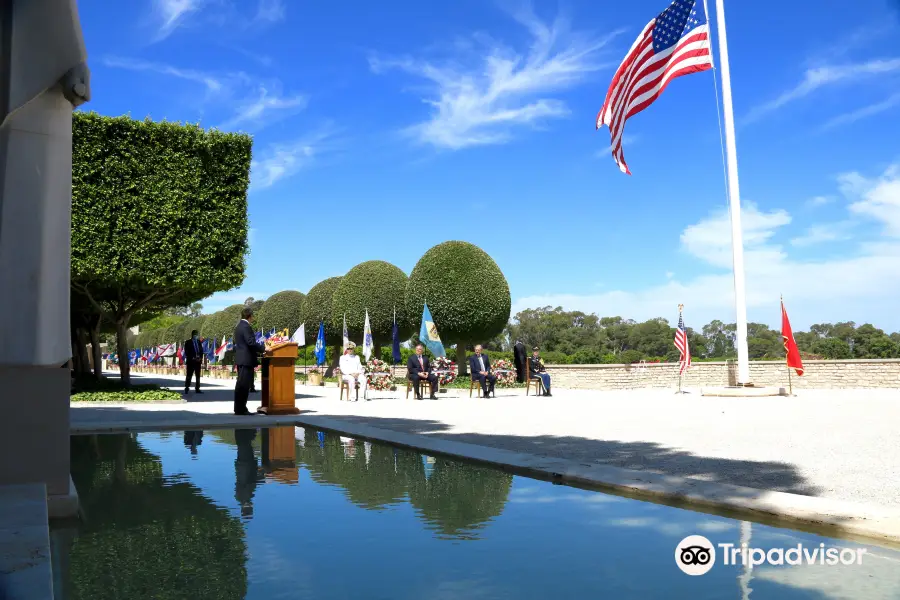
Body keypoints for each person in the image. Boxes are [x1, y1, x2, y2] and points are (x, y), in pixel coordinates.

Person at [233, 307, 266, 415]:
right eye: (253, 316)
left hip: (241, 359)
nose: (253, 318)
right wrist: (263, 348)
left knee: (240, 384)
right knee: (244, 385)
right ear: (250, 316)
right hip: (246, 360)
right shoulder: (246, 326)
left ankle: (239, 408)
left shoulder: (239, 326)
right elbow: (251, 342)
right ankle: (241, 409)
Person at [183, 330, 204, 395]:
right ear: (192, 335)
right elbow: (187, 352)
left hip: (198, 362)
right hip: (191, 362)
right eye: (195, 334)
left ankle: (197, 388)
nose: (196, 335)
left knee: (198, 376)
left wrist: (200, 358)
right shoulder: (188, 342)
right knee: (189, 375)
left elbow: (201, 351)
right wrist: (193, 358)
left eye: (197, 334)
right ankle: (187, 387)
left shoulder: (198, 342)